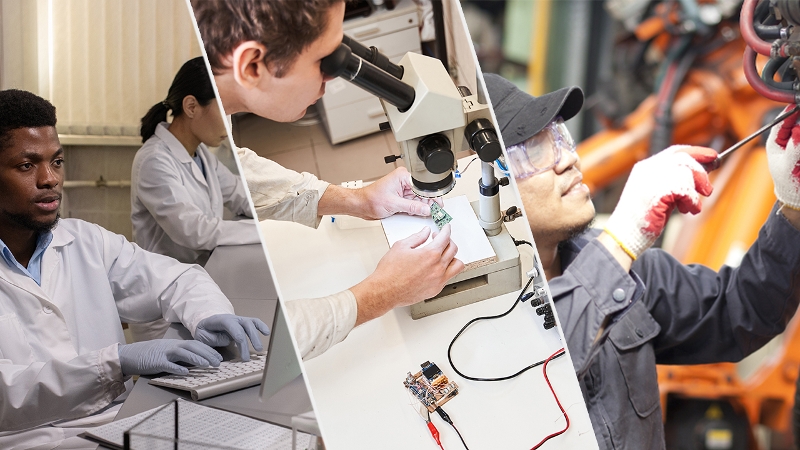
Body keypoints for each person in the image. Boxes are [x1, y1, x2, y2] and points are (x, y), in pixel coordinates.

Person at [484, 73, 800, 450]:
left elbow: (742, 311)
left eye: (560, 138)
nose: (568, 158)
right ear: (488, 188)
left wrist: (793, 203)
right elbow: (540, 365)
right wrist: (621, 239)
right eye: (536, 150)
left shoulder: (631, 275)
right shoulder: (467, 312)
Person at [191, 0, 464, 359]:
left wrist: (359, 200)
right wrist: (382, 293)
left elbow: (245, 173)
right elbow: (278, 341)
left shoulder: (220, 108)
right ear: (252, 65)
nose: (335, 75)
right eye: (327, 59)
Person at [0, 89, 269, 449]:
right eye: (27, 165)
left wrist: (207, 315)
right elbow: (8, 390)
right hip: (29, 440)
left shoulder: (84, 240)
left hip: (119, 423)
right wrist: (115, 362)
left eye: (57, 161)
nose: (50, 179)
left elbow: (178, 278)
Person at [130, 57, 260, 341]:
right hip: (163, 307)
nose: (229, 122)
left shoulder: (200, 154)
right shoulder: (154, 161)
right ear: (191, 107)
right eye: (224, 110)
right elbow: (195, 232)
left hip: (196, 288)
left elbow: (239, 194)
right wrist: (262, 230)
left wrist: (282, 203)